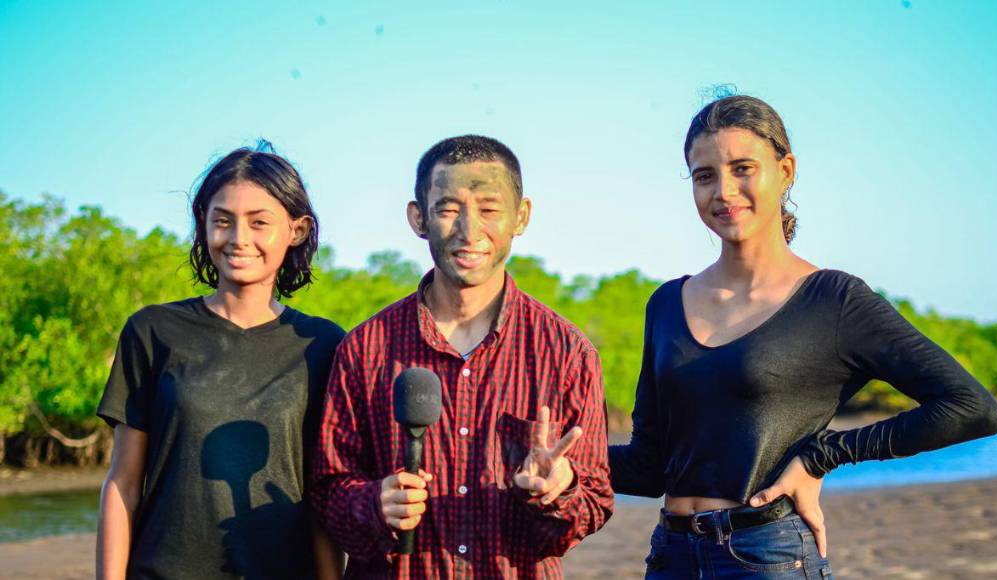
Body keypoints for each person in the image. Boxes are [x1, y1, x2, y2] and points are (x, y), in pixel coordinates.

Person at [609, 95, 997, 579]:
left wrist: (824, 456)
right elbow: (649, 466)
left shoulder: (834, 301)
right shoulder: (667, 303)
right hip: (670, 556)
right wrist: (565, 463)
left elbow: (971, 408)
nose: (724, 191)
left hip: (767, 555)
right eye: (704, 175)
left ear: (786, 171)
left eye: (743, 169)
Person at [310, 134, 613, 578]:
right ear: (418, 218)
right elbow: (327, 490)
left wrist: (559, 489)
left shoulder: (568, 353)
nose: (469, 231)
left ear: (521, 216)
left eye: (489, 209)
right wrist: (373, 504)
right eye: (448, 209)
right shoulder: (364, 349)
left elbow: (595, 502)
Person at [96, 142, 345, 579]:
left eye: (259, 222)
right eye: (223, 220)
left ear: (297, 230)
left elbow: (321, 494)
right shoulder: (152, 332)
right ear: (203, 223)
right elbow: (123, 483)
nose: (238, 239)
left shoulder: (322, 344)